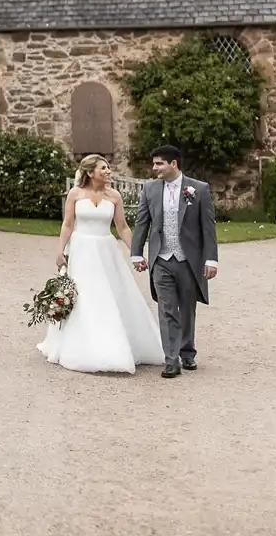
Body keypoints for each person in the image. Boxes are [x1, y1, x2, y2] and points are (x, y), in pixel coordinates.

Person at [36, 155, 164, 374]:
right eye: (103, 168)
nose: (108, 171)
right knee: (84, 296)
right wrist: (60, 250)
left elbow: (122, 227)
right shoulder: (75, 194)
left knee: (111, 295)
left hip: (106, 251)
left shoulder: (114, 196)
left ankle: (116, 345)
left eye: (108, 168)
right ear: (89, 172)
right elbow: (68, 224)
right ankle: (83, 346)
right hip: (82, 250)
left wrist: (136, 252)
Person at [129, 144, 219, 379]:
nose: (154, 168)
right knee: (167, 309)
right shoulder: (149, 189)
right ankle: (171, 360)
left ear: (173, 164)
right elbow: (142, 223)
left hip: (189, 260)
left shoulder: (198, 189)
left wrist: (211, 259)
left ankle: (187, 352)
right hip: (161, 259)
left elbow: (208, 228)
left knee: (187, 308)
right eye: (154, 163)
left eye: (159, 163)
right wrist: (136, 252)